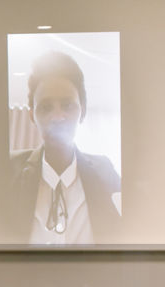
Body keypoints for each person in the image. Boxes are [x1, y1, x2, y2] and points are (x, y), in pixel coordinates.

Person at [8, 50, 121, 244]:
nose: (58, 117)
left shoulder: (104, 171)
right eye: (46, 107)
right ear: (32, 116)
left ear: (82, 112)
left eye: (68, 106)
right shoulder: (10, 168)